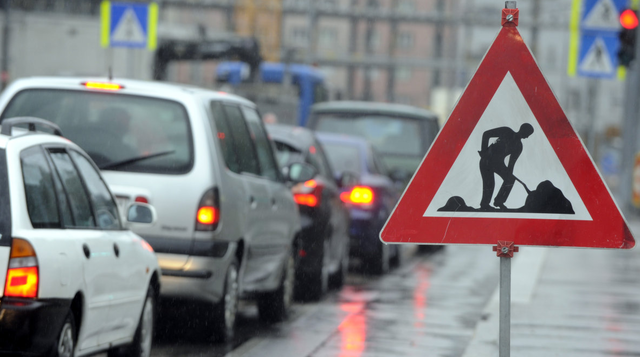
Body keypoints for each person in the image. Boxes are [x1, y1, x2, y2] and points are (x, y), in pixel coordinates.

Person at [478, 123, 534, 210]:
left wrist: (509, 174)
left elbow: (511, 164)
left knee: (510, 179)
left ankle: (499, 201)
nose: (527, 137)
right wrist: (484, 151)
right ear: (523, 130)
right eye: (528, 134)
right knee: (489, 184)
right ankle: (484, 205)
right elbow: (486, 134)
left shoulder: (519, 146)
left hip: (498, 164)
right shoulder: (506, 131)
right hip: (487, 160)